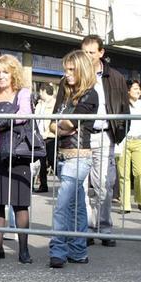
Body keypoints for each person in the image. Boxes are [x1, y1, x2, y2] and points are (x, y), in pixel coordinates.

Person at [0, 54, 33, 264]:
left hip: (18, 152)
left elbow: (25, 115)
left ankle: (24, 250)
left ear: (13, 74)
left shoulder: (23, 93)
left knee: (20, 203)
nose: (1, 76)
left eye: (5, 72)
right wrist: (10, 118)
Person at [48, 50, 98, 268]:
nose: (67, 74)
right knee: (76, 206)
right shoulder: (64, 87)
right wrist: (62, 126)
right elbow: (53, 123)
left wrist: (62, 125)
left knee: (62, 204)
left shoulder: (90, 94)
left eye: (71, 70)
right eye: (65, 69)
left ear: (82, 70)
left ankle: (57, 250)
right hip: (62, 154)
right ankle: (78, 252)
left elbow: (70, 123)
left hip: (80, 157)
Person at [78, 35, 129, 246]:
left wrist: (118, 134)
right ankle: (87, 228)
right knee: (80, 186)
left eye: (92, 52)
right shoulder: (76, 74)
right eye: (85, 52)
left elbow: (124, 110)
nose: (88, 56)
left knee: (104, 186)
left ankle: (104, 227)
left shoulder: (115, 78)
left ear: (101, 53)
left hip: (105, 135)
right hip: (81, 136)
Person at [116, 79, 141, 213]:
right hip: (124, 141)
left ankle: (140, 199)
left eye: (139, 89)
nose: (138, 91)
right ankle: (125, 205)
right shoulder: (122, 105)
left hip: (139, 142)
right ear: (128, 91)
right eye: (135, 88)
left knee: (139, 173)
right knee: (123, 175)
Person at [34, 82, 57, 193]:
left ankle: (65, 182)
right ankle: (43, 185)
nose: (39, 94)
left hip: (51, 136)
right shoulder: (39, 104)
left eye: (40, 91)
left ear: (43, 91)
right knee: (42, 163)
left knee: (53, 161)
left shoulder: (55, 104)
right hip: (40, 137)